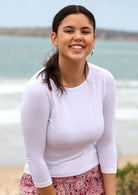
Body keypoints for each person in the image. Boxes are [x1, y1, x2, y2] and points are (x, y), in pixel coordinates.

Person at [19, 5, 117, 195]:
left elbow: (106, 143)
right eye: (69, 31)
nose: (78, 37)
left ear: (94, 40)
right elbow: (35, 158)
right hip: (45, 186)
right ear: (54, 38)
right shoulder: (38, 89)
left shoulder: (104, 80)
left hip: (93, 182)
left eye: (85, 31)